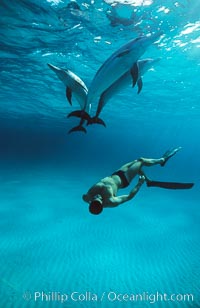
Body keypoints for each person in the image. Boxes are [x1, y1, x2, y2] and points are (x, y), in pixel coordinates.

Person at [82, 147, 182, 215]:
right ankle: (162, 160)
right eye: (99, 200)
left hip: (116, 174)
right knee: (141, 160)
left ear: (91, 202)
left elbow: (84, 197)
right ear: (102, 205)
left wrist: (91, 199)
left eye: (95, 199)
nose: (98, 196)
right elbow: (129, 197)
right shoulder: (111, 202)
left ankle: (149, 181)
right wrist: (139, 184)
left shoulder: (88, 197)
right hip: (124, 179)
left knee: (136, 162)